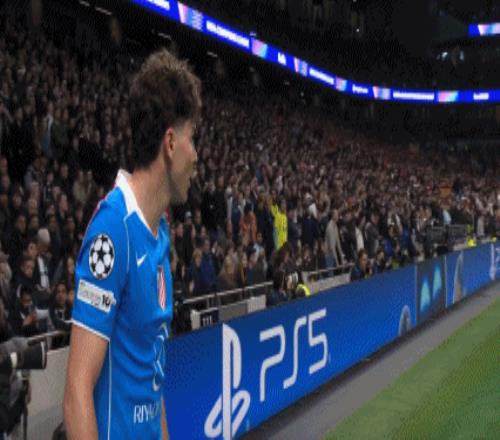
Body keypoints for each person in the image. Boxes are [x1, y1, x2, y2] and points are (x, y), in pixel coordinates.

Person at [64, 49, 201, 440]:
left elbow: (151, 382)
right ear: (170, 142)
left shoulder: (158, 233)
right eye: (192, 139)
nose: (196, 156)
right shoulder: (113, 231)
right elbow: (76, 391)